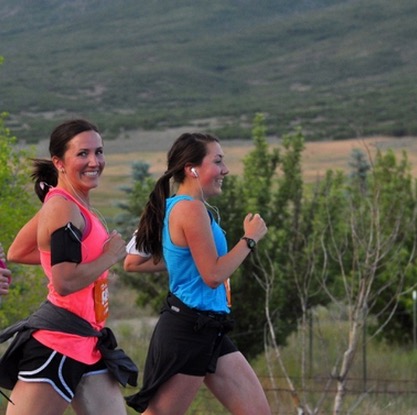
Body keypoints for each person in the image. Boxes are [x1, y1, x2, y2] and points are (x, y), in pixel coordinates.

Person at [124, 132, 271, 414]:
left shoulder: (173, 207)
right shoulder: (189, 210)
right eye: (217, 162)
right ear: (191, 168)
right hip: (188, 331)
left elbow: (134, 262)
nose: (225, 170)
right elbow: (214, 275)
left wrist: (184, 260)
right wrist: (249, 239)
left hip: (210, 329)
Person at [1, 119, 138, 415]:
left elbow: (20, 250)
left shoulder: (72, 204)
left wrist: (90, 267)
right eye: (83, 154)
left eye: (99, 152)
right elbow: (64, 282)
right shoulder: (62, 208)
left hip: (89, 344)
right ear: (58, 162)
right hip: (57, 345)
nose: (94, 161)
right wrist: (107, 258)